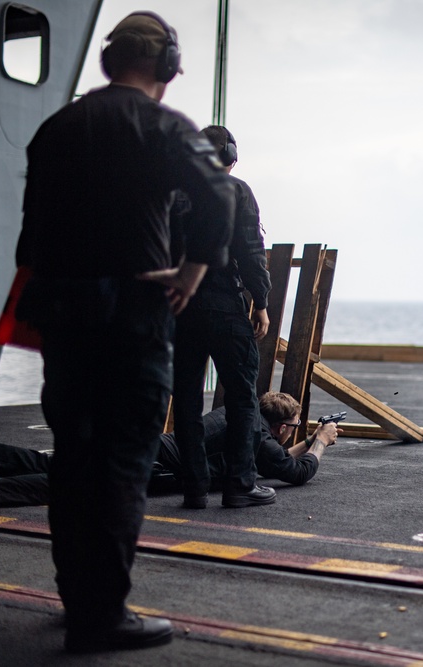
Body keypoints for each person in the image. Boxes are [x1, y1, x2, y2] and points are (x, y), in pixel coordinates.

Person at [14, 12, 235, 653]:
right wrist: (191, 274)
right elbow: (218, 199)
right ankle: (102, 614)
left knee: (74, 461)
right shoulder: (163, 126)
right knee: (123, 461)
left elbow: (32, 239)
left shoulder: (57, 127)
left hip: (63, 315)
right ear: (166, 68)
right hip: (132, 317)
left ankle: (78, 600)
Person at [0, 393, 341, 511]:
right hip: (154, 466)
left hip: (148, 444)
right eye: (292, 429)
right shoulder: (262, 440)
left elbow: (279, 460)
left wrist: (308, 439)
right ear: (280, 427)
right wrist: (322, 440)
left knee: (52, 465)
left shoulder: (240, 416)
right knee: (66, 486)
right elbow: (296, 471)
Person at [172, 125, 273, 510]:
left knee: (185, 399)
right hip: (223, 306)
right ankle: (239, 485)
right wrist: (260, 302)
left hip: (181, 309)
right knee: (242, 398)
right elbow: (250, 251)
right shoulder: (237, 191)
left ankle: (194, 488)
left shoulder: (175, 194)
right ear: (230, 155)